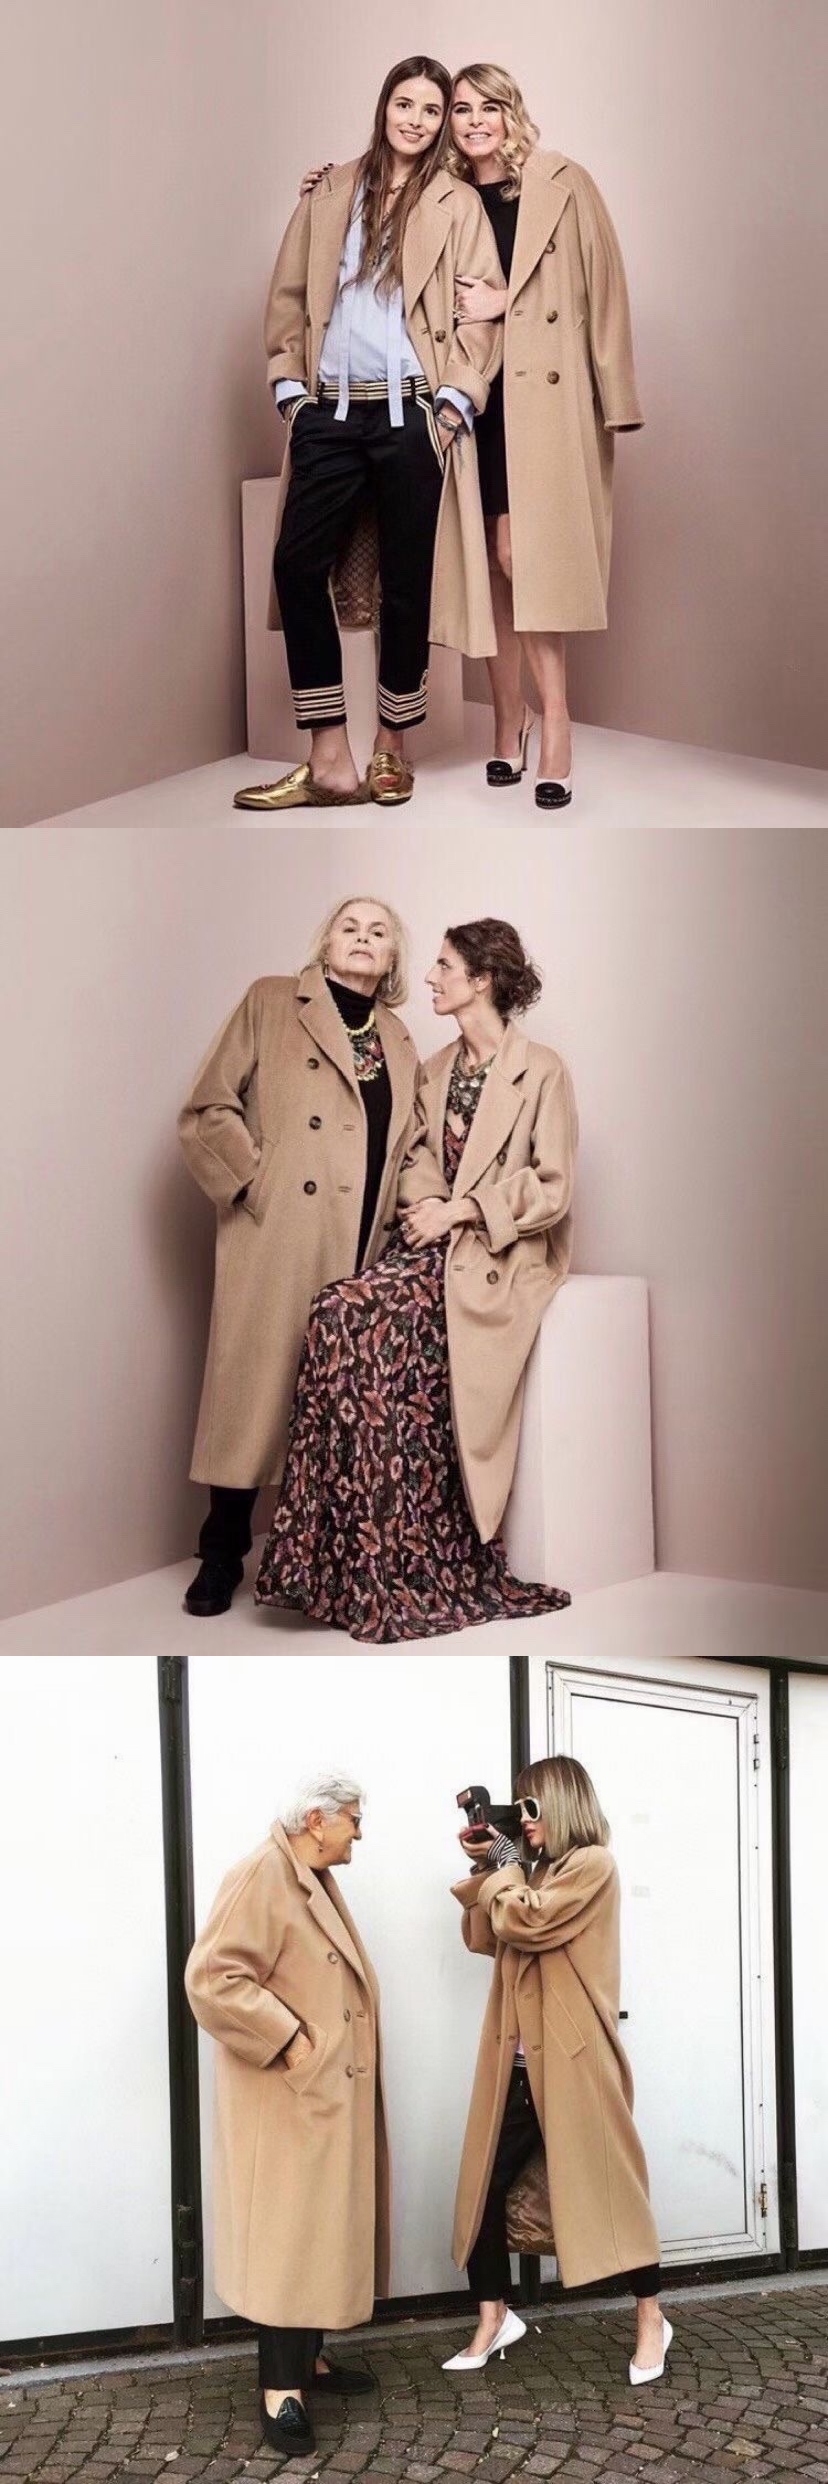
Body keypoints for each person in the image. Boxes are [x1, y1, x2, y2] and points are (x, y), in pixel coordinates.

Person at [255, 918, 577, 1642]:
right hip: (432, 1244)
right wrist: (431, 1207)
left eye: (443, 967)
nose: (429, 977)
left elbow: (553, 1185)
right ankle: (345, 1568)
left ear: (481, 981)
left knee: (363, 1323)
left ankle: (413, 1559)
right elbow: (414, 1160)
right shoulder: (432, 1070)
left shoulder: (542, 1070)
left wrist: (462, 1211)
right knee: (336, 1312)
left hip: (499, 1253)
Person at [235, 57, 502, 815]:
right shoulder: (330, 191)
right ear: (383, 107)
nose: (416, 120)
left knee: (406, 583)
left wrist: (453, 404)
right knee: (297, 565)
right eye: (404, 104)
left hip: (414, 416)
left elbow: (481, 313)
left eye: (431, 110)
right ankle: (329, 757)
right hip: (331, 414)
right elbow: (289, 295)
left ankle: (392, 746)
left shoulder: (456, 202)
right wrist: (293, 395)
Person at [178, 896, 418, 1615]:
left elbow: (408, 1146)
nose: (363, 938)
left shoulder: (399, 1037)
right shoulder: (273, 1000)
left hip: (359, 1240)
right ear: (325, 941)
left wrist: (420, 1212)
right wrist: (256, 1183)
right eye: (350, 926)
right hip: (282, 1229)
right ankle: (221, 1554)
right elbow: (208, 1106)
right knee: (251, 1392)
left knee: (330, 1407)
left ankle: (317, 1567)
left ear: (393, 957)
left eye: (378, 931)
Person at [448, 63, 643, 808]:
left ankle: (554, 721)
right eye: (461, 108)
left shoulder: (562, 182)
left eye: (488, 107)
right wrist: (325, 189)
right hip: (471, 396)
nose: (474, 120)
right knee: (486, 566)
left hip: (542, 402)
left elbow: (605, 287)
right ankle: (509, 719)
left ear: (511, 113)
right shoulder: (444, 196)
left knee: (521, 558)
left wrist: (615, 397)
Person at [448, 1756, 672, 2386]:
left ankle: (652, 2318)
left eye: (531, 1807)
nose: (523, 1820)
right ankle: (494, 2317)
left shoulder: (592, 1866)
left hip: (575, 2063)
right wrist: (490, 1867)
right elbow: (485, 1936)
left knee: (612, 2191)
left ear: (563, 1804)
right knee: (483, 2190)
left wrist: (505, 1868)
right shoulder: (536, 1872)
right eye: (517, 1809)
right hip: (517, 2063)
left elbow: (528, 1921)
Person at [185, 1775, 388, 2457]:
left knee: (321, 2230)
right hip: (288, 2100)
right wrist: (293, 2041)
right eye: (353, 1818)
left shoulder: (309, 1875)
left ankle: (311, 2360)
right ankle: (281, 2389)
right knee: (289, 2238)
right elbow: (212, 1979)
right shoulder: (262, 1874)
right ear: (316, 1819)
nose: (359, 1831)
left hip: (322, 2097)